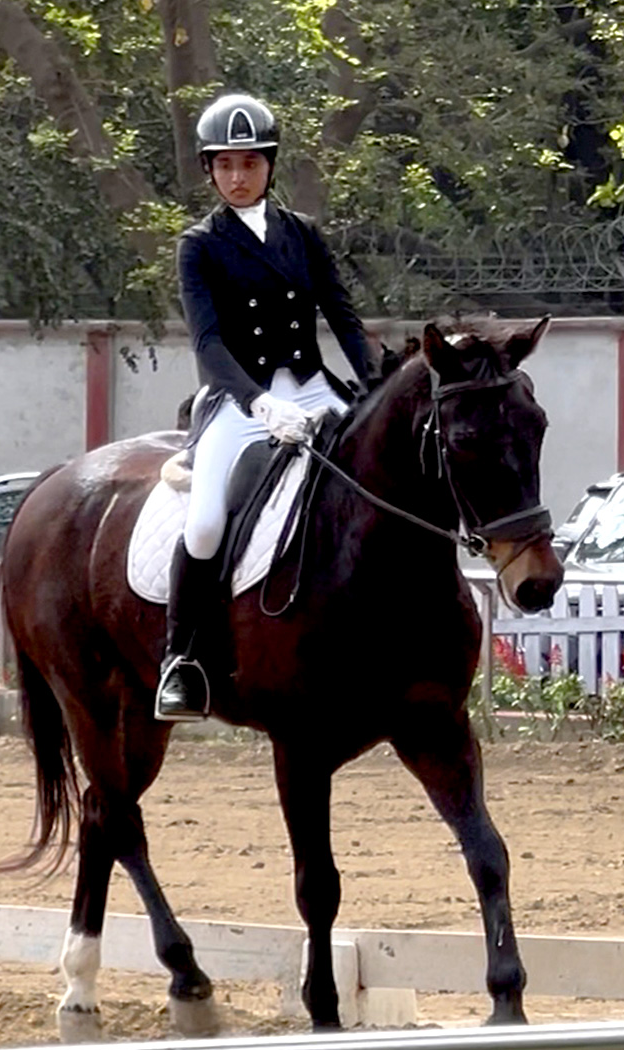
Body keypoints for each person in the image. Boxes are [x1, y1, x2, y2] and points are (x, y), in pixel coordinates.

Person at [155, 92, 377, 721]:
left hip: (310, 382)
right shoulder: (198, 245)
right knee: (202, 524)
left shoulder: (302, 234)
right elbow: (206, 342)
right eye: (224, 165)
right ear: (210, 170)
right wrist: (258, 406)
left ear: (268, 166)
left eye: (248, 163)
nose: (237, 176)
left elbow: (342, 315)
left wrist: (373, 381)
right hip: (236, 394)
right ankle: (183, 659)